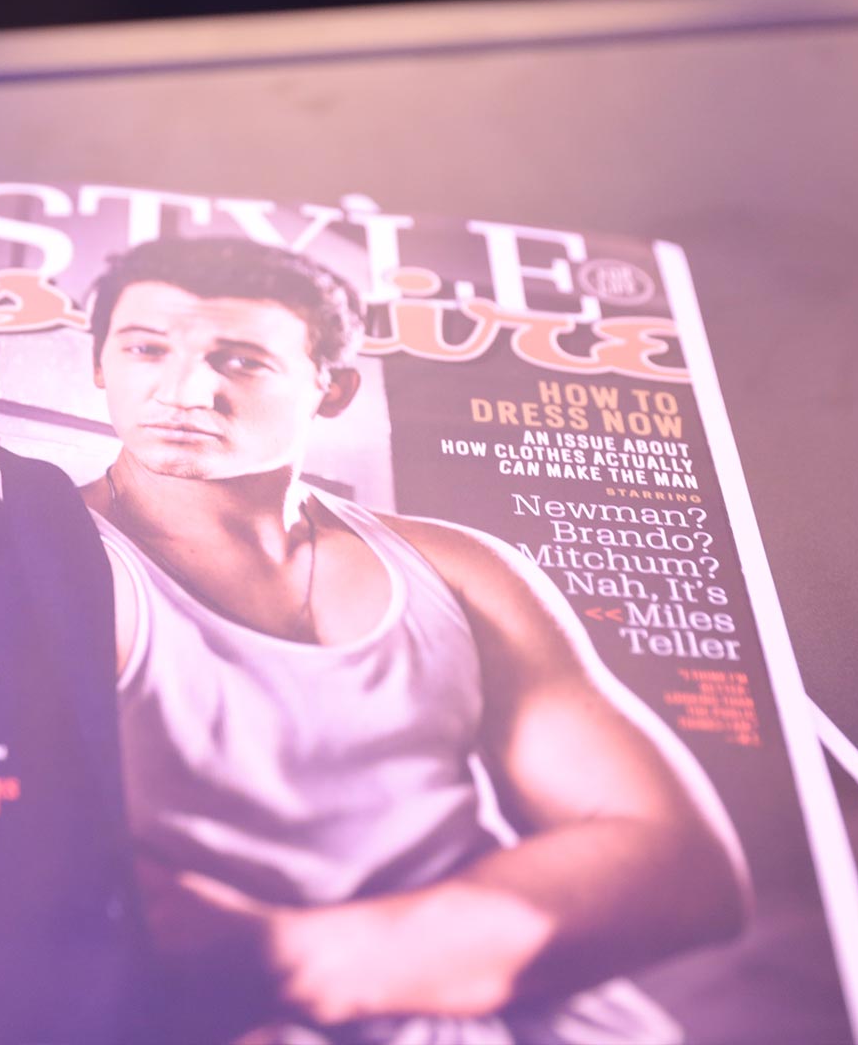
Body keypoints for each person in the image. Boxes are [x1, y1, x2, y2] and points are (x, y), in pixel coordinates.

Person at [76, 237, 750, 1043]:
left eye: (243, 361)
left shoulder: (459, 565)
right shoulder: (34, 556)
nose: (186, 391)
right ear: (99, 364)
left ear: (332, 390)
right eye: (146, 349)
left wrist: (282, 952)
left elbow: (679, 867)